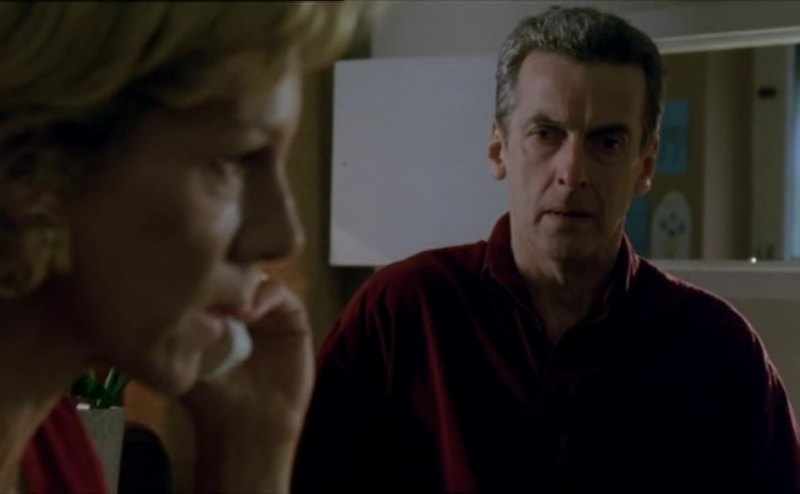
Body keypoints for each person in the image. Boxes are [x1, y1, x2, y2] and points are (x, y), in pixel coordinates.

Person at [292, 6, 800, 493]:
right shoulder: (404, 311)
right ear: (498, 149)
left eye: (607, 142)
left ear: (645, 166)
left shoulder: (718, 349)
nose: (572, 173)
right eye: (545, 134)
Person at [0, 2, 371, 493]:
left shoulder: (55, 446)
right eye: (236, 159)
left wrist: (252, 454)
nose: (283, 236)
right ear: (32, 167)